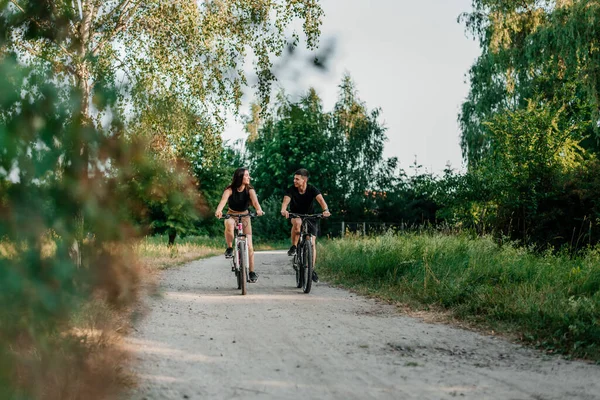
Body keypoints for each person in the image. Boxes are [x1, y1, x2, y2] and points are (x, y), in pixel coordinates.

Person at [280, 168, 330, 283]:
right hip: (295, 215)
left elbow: (321, 201)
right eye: (294, 179)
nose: (294, 181)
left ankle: (311, 269)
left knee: (311, 243)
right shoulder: (291, 190)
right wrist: (284, 210)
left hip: (310, 216)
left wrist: (326, 210)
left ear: (304, 180)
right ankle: (293, 247)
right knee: (297, 223)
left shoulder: (312, 189)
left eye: (297, 179)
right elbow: (285, 201)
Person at [215, 168, 264, 282]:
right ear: (240, 177)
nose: (249, 177)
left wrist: (259, 210)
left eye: (248, 175)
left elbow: (256, 203)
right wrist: (219, 211)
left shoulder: (250, 190)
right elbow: (222, 202)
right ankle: (230, 248)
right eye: (246, 175)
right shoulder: (230, 189)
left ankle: (251, 272)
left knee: (250, 247)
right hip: (231, 215)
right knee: (229, 224)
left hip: (245, 216)